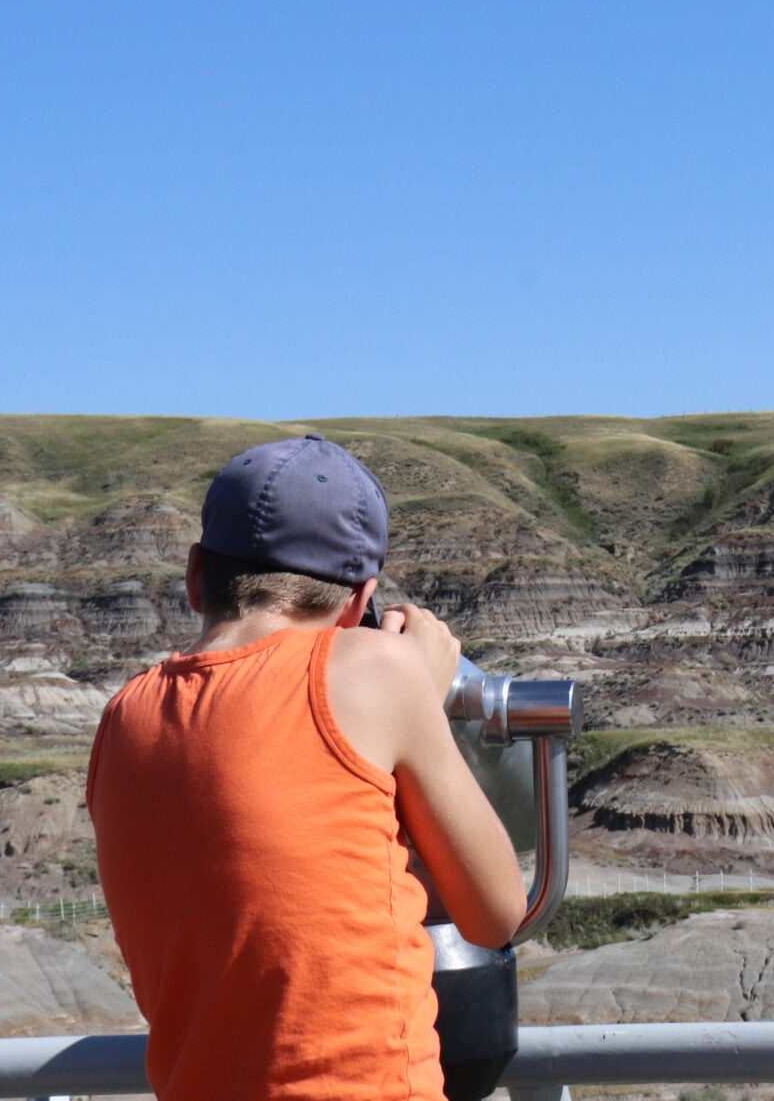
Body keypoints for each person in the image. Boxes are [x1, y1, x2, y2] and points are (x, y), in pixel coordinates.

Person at [88, 434, 524, 1101]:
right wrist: (417, 688)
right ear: (360, 604)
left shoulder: (125, 714)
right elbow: (495, 916)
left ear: (196, 574)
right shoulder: (377, 671)